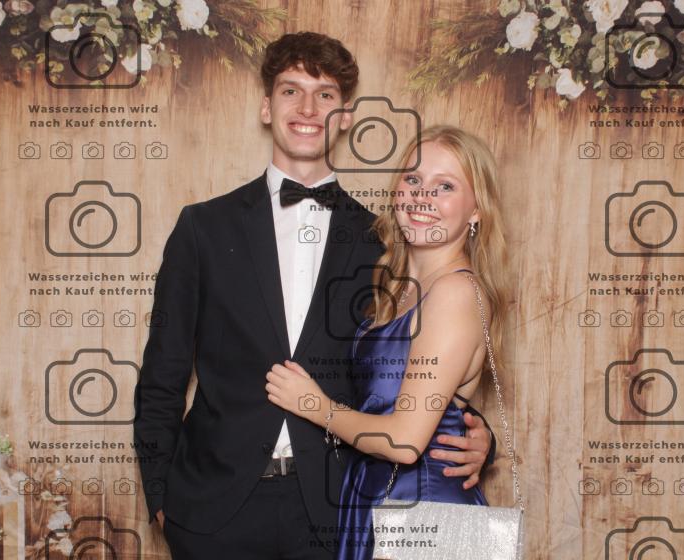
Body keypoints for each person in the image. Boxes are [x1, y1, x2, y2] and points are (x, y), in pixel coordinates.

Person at [133, 33, 496, 560]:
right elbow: (161, 377)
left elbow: (414, 373)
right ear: (266, 107)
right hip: (211, 512)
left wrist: (476, 438)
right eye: (290, 91)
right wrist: (161, 498)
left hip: (335, 511)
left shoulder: (385, 242)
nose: (307, 108)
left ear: (345, 116)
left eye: (325, 95)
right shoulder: (203, 229)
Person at [265, 124, 511, 559]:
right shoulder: (396, 287)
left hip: (425, 512)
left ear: (477, 210)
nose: (422, 196)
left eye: (445, 186)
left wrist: (314, 405)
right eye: (414, 179)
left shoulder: (454, 292)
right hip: (377, 496)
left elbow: (407, 441)